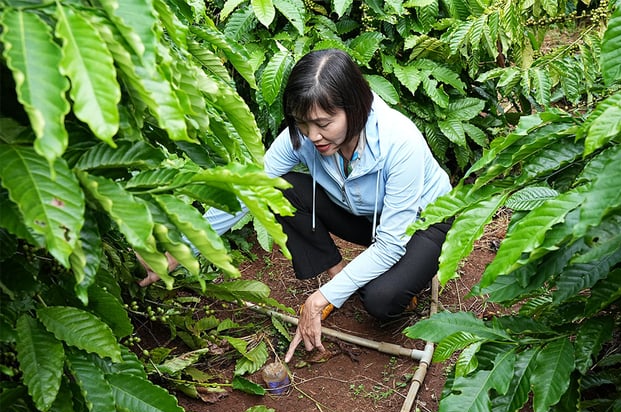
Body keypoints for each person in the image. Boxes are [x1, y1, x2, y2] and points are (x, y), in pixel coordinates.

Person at [139, 49, 453, 363]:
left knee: (382, 299)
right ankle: (341, 276)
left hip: (423, 220)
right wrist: (184, 249)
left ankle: (407, 278)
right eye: (303, 123)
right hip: (365, 214)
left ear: (355, 108)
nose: (313, 135)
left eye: (324, 123)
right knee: (279, 189)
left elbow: (389, 244)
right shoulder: (302, 136)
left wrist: (316, 302)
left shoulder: (400, 143)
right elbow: (251, 189)